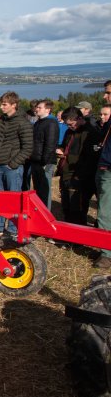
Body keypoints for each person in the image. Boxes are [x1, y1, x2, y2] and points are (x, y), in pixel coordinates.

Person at [0, 92, 33, 238]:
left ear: (14, 105)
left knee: (13, 199)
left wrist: (13, 164)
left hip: (12, 167)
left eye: (4, 104)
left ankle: (12, 228)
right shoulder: (0, 121)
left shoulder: (23, 123)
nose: (1, 107)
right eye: (1, 104)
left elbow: (28, 147)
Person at [56, 107, 101, 226]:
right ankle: (68, 232)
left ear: (80, 118)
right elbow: (64, 145)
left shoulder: (90, 133)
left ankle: (77, 237)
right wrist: (60, 150)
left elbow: (90, 158)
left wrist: (78, 176)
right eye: (67, 124)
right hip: (66, 173)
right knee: (66, 205)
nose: (70, 127)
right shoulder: (70, 131)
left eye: (71, 124)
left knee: (78, 208)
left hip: (79, 176)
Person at [29, 99, 59, 209]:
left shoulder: (51, 123)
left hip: (44, 162)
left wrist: (45, 162)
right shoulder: (38, 123)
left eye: (39, 107)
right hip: (35, 160)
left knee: (44, 190)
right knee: (38, 190)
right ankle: (40, 214)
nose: (36, 109)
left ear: (48, 109)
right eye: (37, 107)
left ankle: (46, 215)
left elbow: (50, 144)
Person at [93, 81, 111, 267]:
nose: (105, 96)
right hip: (104, 167)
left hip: (108, 169)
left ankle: (106, 253)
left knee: (106, 212)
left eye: (108, 93)